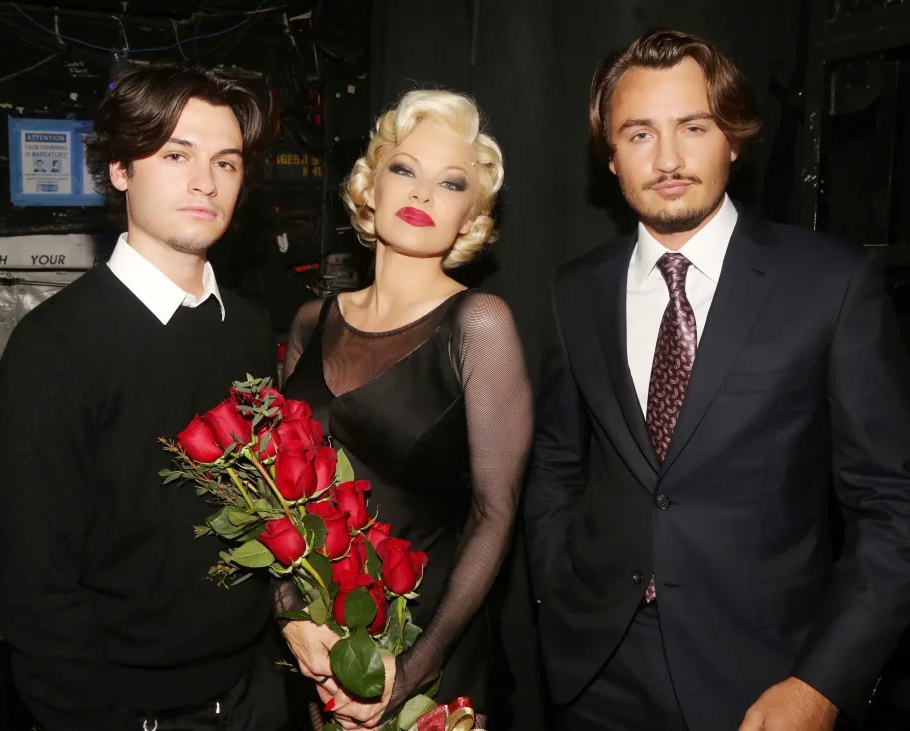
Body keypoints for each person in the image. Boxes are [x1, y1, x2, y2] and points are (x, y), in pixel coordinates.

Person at [525, 28, 910, 731]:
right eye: (638, 134)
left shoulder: (832, 282)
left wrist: (821, 683)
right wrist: (559, 593)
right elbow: (556, 463)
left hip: (765, 679)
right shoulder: (575, 289)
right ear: (610, 158)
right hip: (595, 671)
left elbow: (892, 507)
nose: (668, 159)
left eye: (693, 127)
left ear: (733, 137)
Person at [0, 66, 288, 731]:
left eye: (227, 162)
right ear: (121, 167)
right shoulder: (55, 347)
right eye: (175, 154)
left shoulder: (244, 327)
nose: (205, 182)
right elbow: (40, 597)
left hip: (255, 692)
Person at [279, 89, 533, 730]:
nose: (421, 195)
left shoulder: (478, 325)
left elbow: (494, 514)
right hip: (319, 646)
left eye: (450, 184)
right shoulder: (314, 321)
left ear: (469, 217)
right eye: (404, 170)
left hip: (430, 655)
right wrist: (290, 614)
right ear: (370, 188)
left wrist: (415, 667)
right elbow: (280, 494)